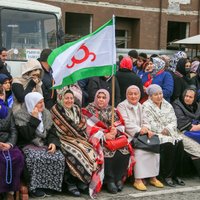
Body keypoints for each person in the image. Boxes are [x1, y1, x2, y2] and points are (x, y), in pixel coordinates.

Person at [83, 89, 134, 194]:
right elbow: (88, 128)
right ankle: (109, 181)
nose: (101, 100)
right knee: (105, 150)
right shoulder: (89, 110)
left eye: (104, 97)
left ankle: (119, 179)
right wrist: (104, 135)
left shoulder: (112, 110)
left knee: (125, 149)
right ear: (95, 97)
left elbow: (120, 125)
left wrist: (115, 131)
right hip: (97, 139)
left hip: (112, 137)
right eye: (99, 97)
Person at [14, 92, 65, 198]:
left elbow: (52, 132)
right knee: (35, 157)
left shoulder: (46, 113)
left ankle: (50, 186)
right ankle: (34, 187)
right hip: (28, 144)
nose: (42, 104)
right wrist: (34, 119)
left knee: (58, 156)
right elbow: (26, 136)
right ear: (31, 103)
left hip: (44, 144)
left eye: (42, 102)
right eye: (39, 103)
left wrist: (53, 143)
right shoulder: (20, 115)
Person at [51, 89, 98, 197]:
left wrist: (79, 134)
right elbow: (62, 127)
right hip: (64, 138)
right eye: (66, 98)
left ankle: (81, 181)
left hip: (79, 137)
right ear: (61, 98)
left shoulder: (76, 108)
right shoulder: (56, 109)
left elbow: (83, 123)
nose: (69, 100)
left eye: (71, 98)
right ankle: (70, 183)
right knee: (76, 152)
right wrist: (77, 133)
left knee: (91, 151)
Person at [117, 85, 163, 191]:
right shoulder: (121, 106)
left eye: (136, 94)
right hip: (129, 136)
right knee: (140, 150)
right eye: (130, 94)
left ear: (139, 95)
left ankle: (153, 177)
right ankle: (138, 180)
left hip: (142, 134)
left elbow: (146, 121)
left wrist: (147, 128)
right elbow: (126, 123)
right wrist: (139, 130)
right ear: (126, 95)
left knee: (153, 147)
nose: (133, 96)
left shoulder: (140, 106)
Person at [142, 84, 185, 187]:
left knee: (179, 143)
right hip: (156, 133)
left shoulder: (167, 104)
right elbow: (148, 122)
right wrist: (162, 130)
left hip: (169, 131)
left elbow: (173, 120)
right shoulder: (146, 106)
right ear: (151, 96)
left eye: (160, 93)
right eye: (156, 94)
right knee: (168, 145)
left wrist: (168, 129)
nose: (159, 96)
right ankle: (167, 176)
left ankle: (176, 174)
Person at [0, 84, 24, 200]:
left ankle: (10, 191)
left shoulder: (9, 111)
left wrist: (9, 144)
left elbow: (13, 131)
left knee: (17, 156)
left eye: (1, 94)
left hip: (7, 144)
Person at [172, 87, 200, 177]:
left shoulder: (197, 106)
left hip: (196, 131)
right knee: (196, 149)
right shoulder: (177, 105)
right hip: (181, 132)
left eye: (190, 97)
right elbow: (183, 124)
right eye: (186, 96)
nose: (187, 98)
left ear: (194, 98)